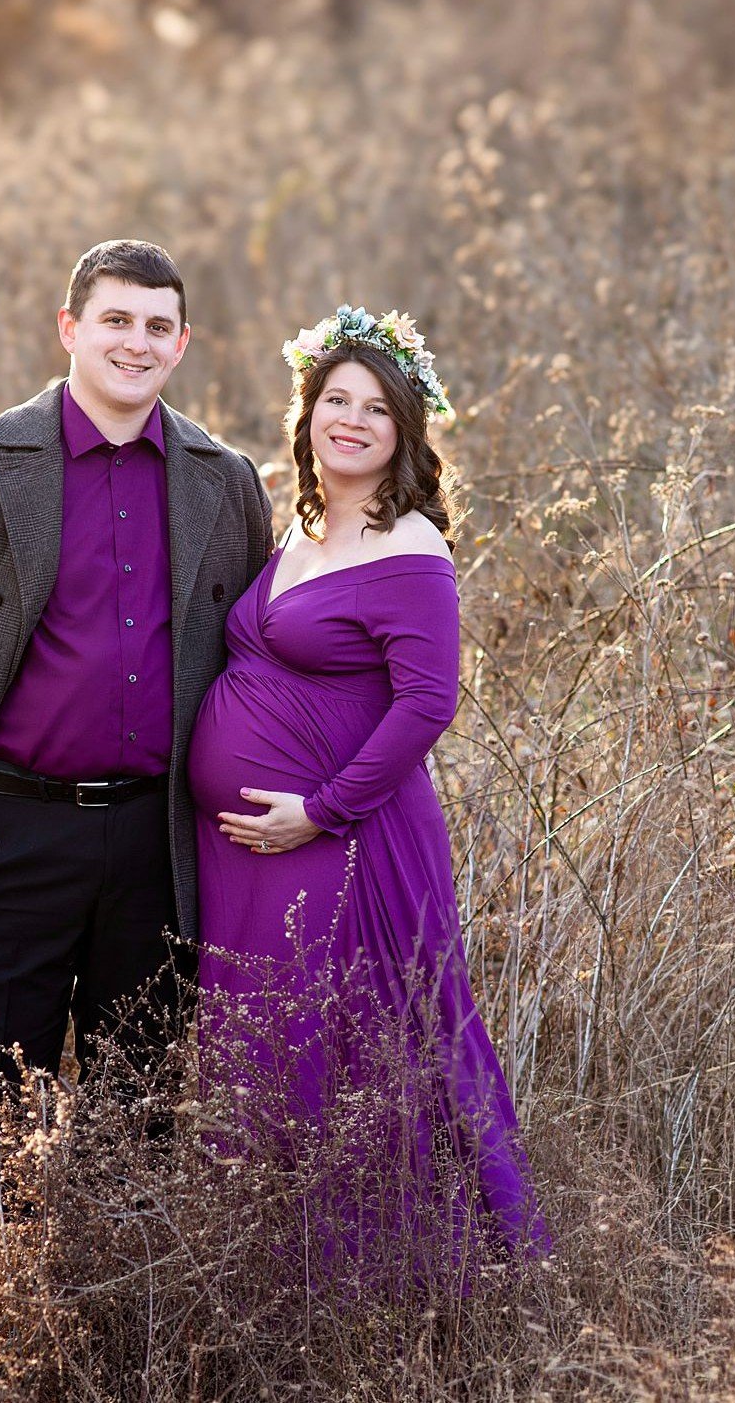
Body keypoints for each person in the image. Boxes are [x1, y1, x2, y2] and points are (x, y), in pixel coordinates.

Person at [0, 239, 273, 1132]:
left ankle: (120, 1234)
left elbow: (256, 657)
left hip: (159, 842)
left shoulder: (228, 482)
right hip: (5, 832)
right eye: (116, 319)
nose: (136, 342)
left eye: (158, 326)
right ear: (70, 328)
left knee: (138, 1119)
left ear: (182, 343)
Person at [188, 305, 549, 1277]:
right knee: (264, 1040)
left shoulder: (413, 547)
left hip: (343, 841)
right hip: (250, 849)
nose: (350, 421)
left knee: (348, 1041)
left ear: (405, 431)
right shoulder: (304, 526)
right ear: (307, 413)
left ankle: (388, 1278)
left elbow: (429, 703)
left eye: (376, 409)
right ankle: (267, 1269)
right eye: (335, 400)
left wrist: (321, 811)